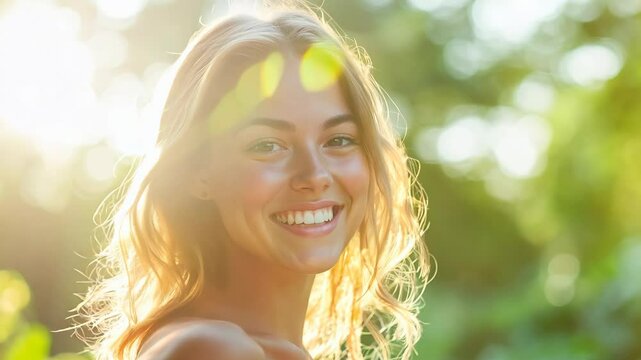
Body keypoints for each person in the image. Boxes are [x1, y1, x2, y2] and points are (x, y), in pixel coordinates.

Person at [76, 1, 430, 359]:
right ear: (198, 171)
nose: (315, 175)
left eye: (338, 140)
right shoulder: (214, 350)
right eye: (268, 145)